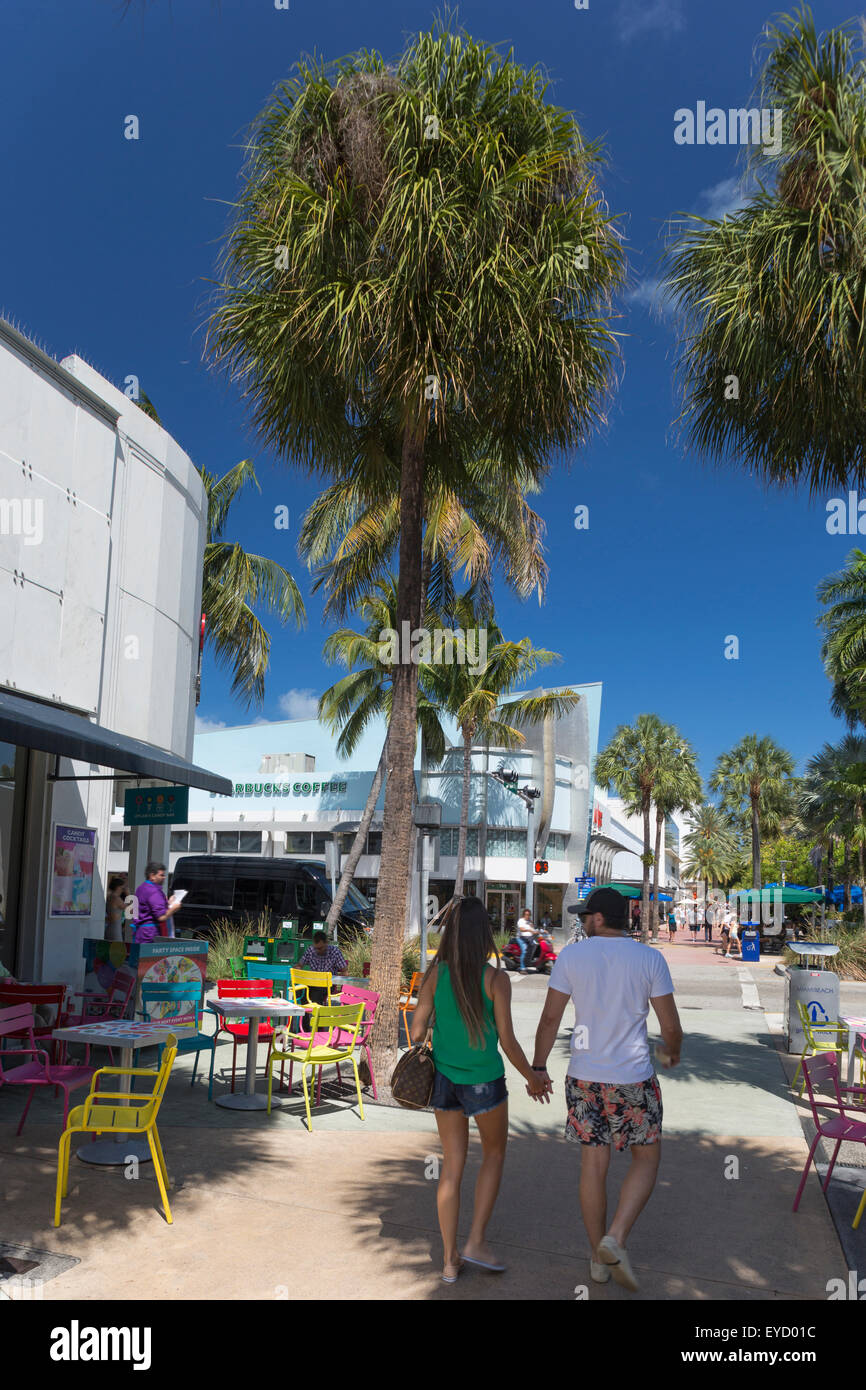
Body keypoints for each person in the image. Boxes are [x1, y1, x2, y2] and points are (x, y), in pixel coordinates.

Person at [531, 886, 683, 1293]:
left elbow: (549, 1019)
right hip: (632, 1078)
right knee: (646, 1160)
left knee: (592, 1168)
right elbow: (670, 1026)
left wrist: (539, 1067)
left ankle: (597, 1257)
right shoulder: (650, 958)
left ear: (599, 918)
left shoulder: (572, 957)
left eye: (585, 916)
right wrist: (672, 1053)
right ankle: (615, 1236)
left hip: (583, 1077)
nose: (581, 921)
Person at [409, 896, 549, 1283]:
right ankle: (476, 1241)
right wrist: (533, 1076)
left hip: (443, 1079)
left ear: (452, 933)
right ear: (483, 935)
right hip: (485, 1080)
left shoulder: (435, 974)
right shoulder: (495, 979)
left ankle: (450, 1260)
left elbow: (417, 1030)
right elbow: (507, 1040)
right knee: (494, 1154)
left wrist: (438, 1026)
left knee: (451, 1166)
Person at [131, 862, 181, 943]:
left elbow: (150, 907)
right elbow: (161, 917)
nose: (164, 877)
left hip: (140, 933)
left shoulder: (141, 888)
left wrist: (168, 903)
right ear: (152, 876)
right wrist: (174, 908)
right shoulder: (153, 891)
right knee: (149, 956)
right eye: (161, 875)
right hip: (150, 934)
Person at [298, 931, 348, 1003]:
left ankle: (317, 1011)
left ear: (326, 943)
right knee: (299, 991)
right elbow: (299, 965)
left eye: (320, 948)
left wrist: (334, 978)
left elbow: (345, 971)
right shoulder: (311, 950)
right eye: (316, 948)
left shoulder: (334, 952)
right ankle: (303, 1012)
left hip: (327, 984)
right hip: (311, 983)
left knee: (315, 993)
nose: (317, 951)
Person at [105, 873, 127, 943]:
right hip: (115, 930)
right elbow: (130, 908)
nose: (123, 890)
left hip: (109, 928)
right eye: (122, 888)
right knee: (117, 950)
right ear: (118, 887)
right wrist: (128, 893)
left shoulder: (109, 897)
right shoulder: (116, 899)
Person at [516, 908, 537, 973]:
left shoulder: (530, 922)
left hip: (529, 938)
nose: (527, 916)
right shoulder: (520, 921)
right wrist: (529, 930)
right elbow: (522, 929)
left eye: (528, 915)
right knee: (525, 950)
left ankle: (529, 963)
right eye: (526, 914)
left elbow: (533, 929)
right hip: (521, 938)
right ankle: (522, 968)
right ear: (523, 915)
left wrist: (539, 931)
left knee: (534, 946)